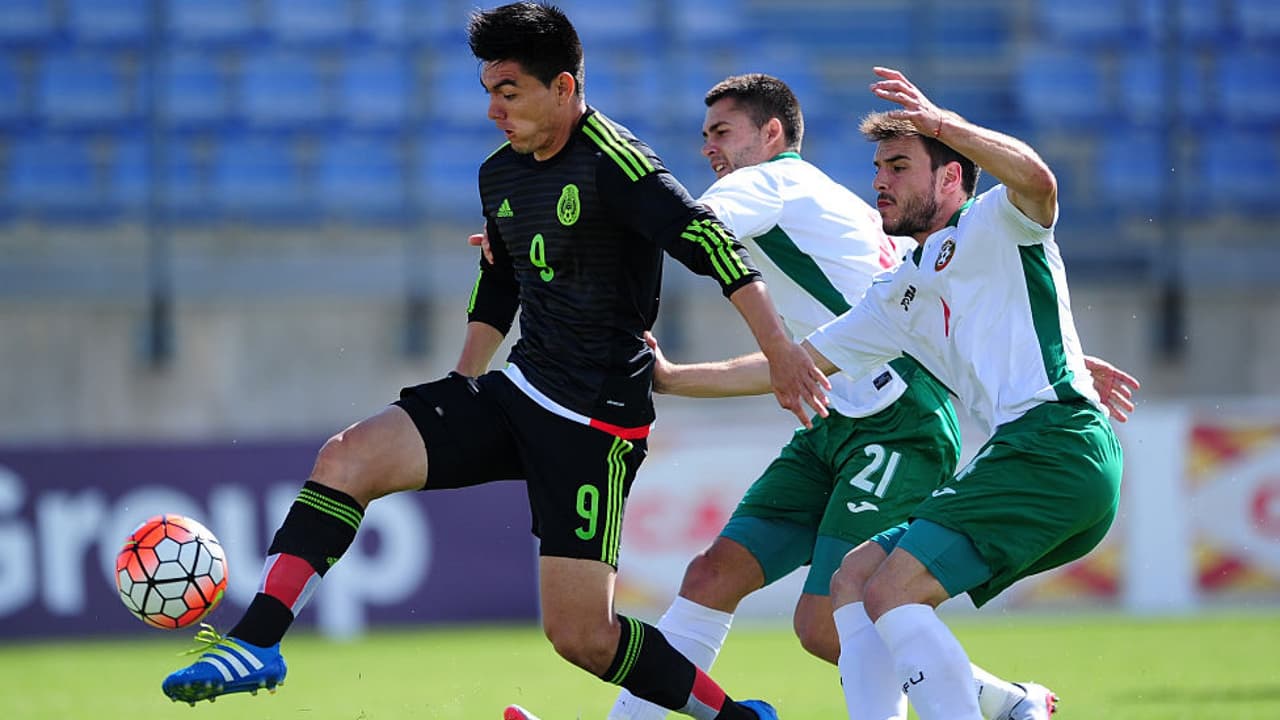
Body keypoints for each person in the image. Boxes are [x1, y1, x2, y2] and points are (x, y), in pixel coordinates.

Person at [159, 5, 831, 720]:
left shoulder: (618, 163)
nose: (492, 111)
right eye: (488, 92)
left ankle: (737, 719)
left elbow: (712, 244)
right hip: (518, 390)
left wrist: (780, 351)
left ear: (563, 87)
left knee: (582, 637)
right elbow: (501, 283)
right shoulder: (500, 174)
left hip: (595, 424)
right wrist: (462, 380)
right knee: (348, 457)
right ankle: (258, 642)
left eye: (508, 92)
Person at [604, 74, 1137, 720]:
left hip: (966, 430)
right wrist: (672, 379)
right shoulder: (905, 283)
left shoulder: (979, 216)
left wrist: (944, 125)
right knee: (802, 581)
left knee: (857, 605)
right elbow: (802, 363)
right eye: (879, 167)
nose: (880, 180)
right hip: (862, 423)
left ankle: (996, 702)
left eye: (899, 166)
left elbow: (1039, 184)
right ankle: (1004, 701)